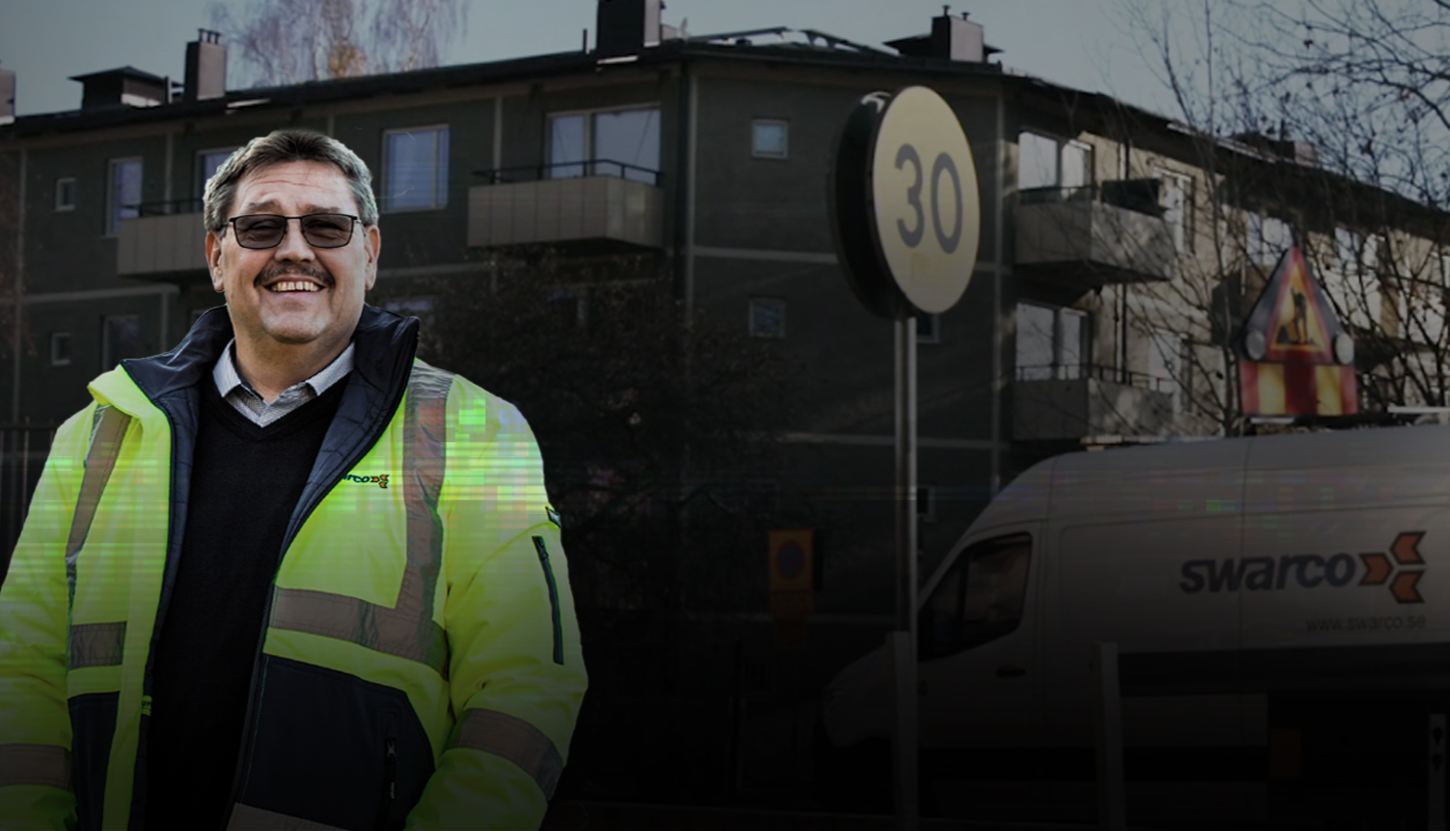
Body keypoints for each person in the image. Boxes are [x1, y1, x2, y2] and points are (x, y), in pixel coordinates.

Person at [0, 129, 587, 830]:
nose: (295, 249)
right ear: (218, 256)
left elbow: (527, 691)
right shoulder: (98, 434)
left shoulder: (474, 433)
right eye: (261, 225)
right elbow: (20, 673)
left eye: (326, 226)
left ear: (368, 253)